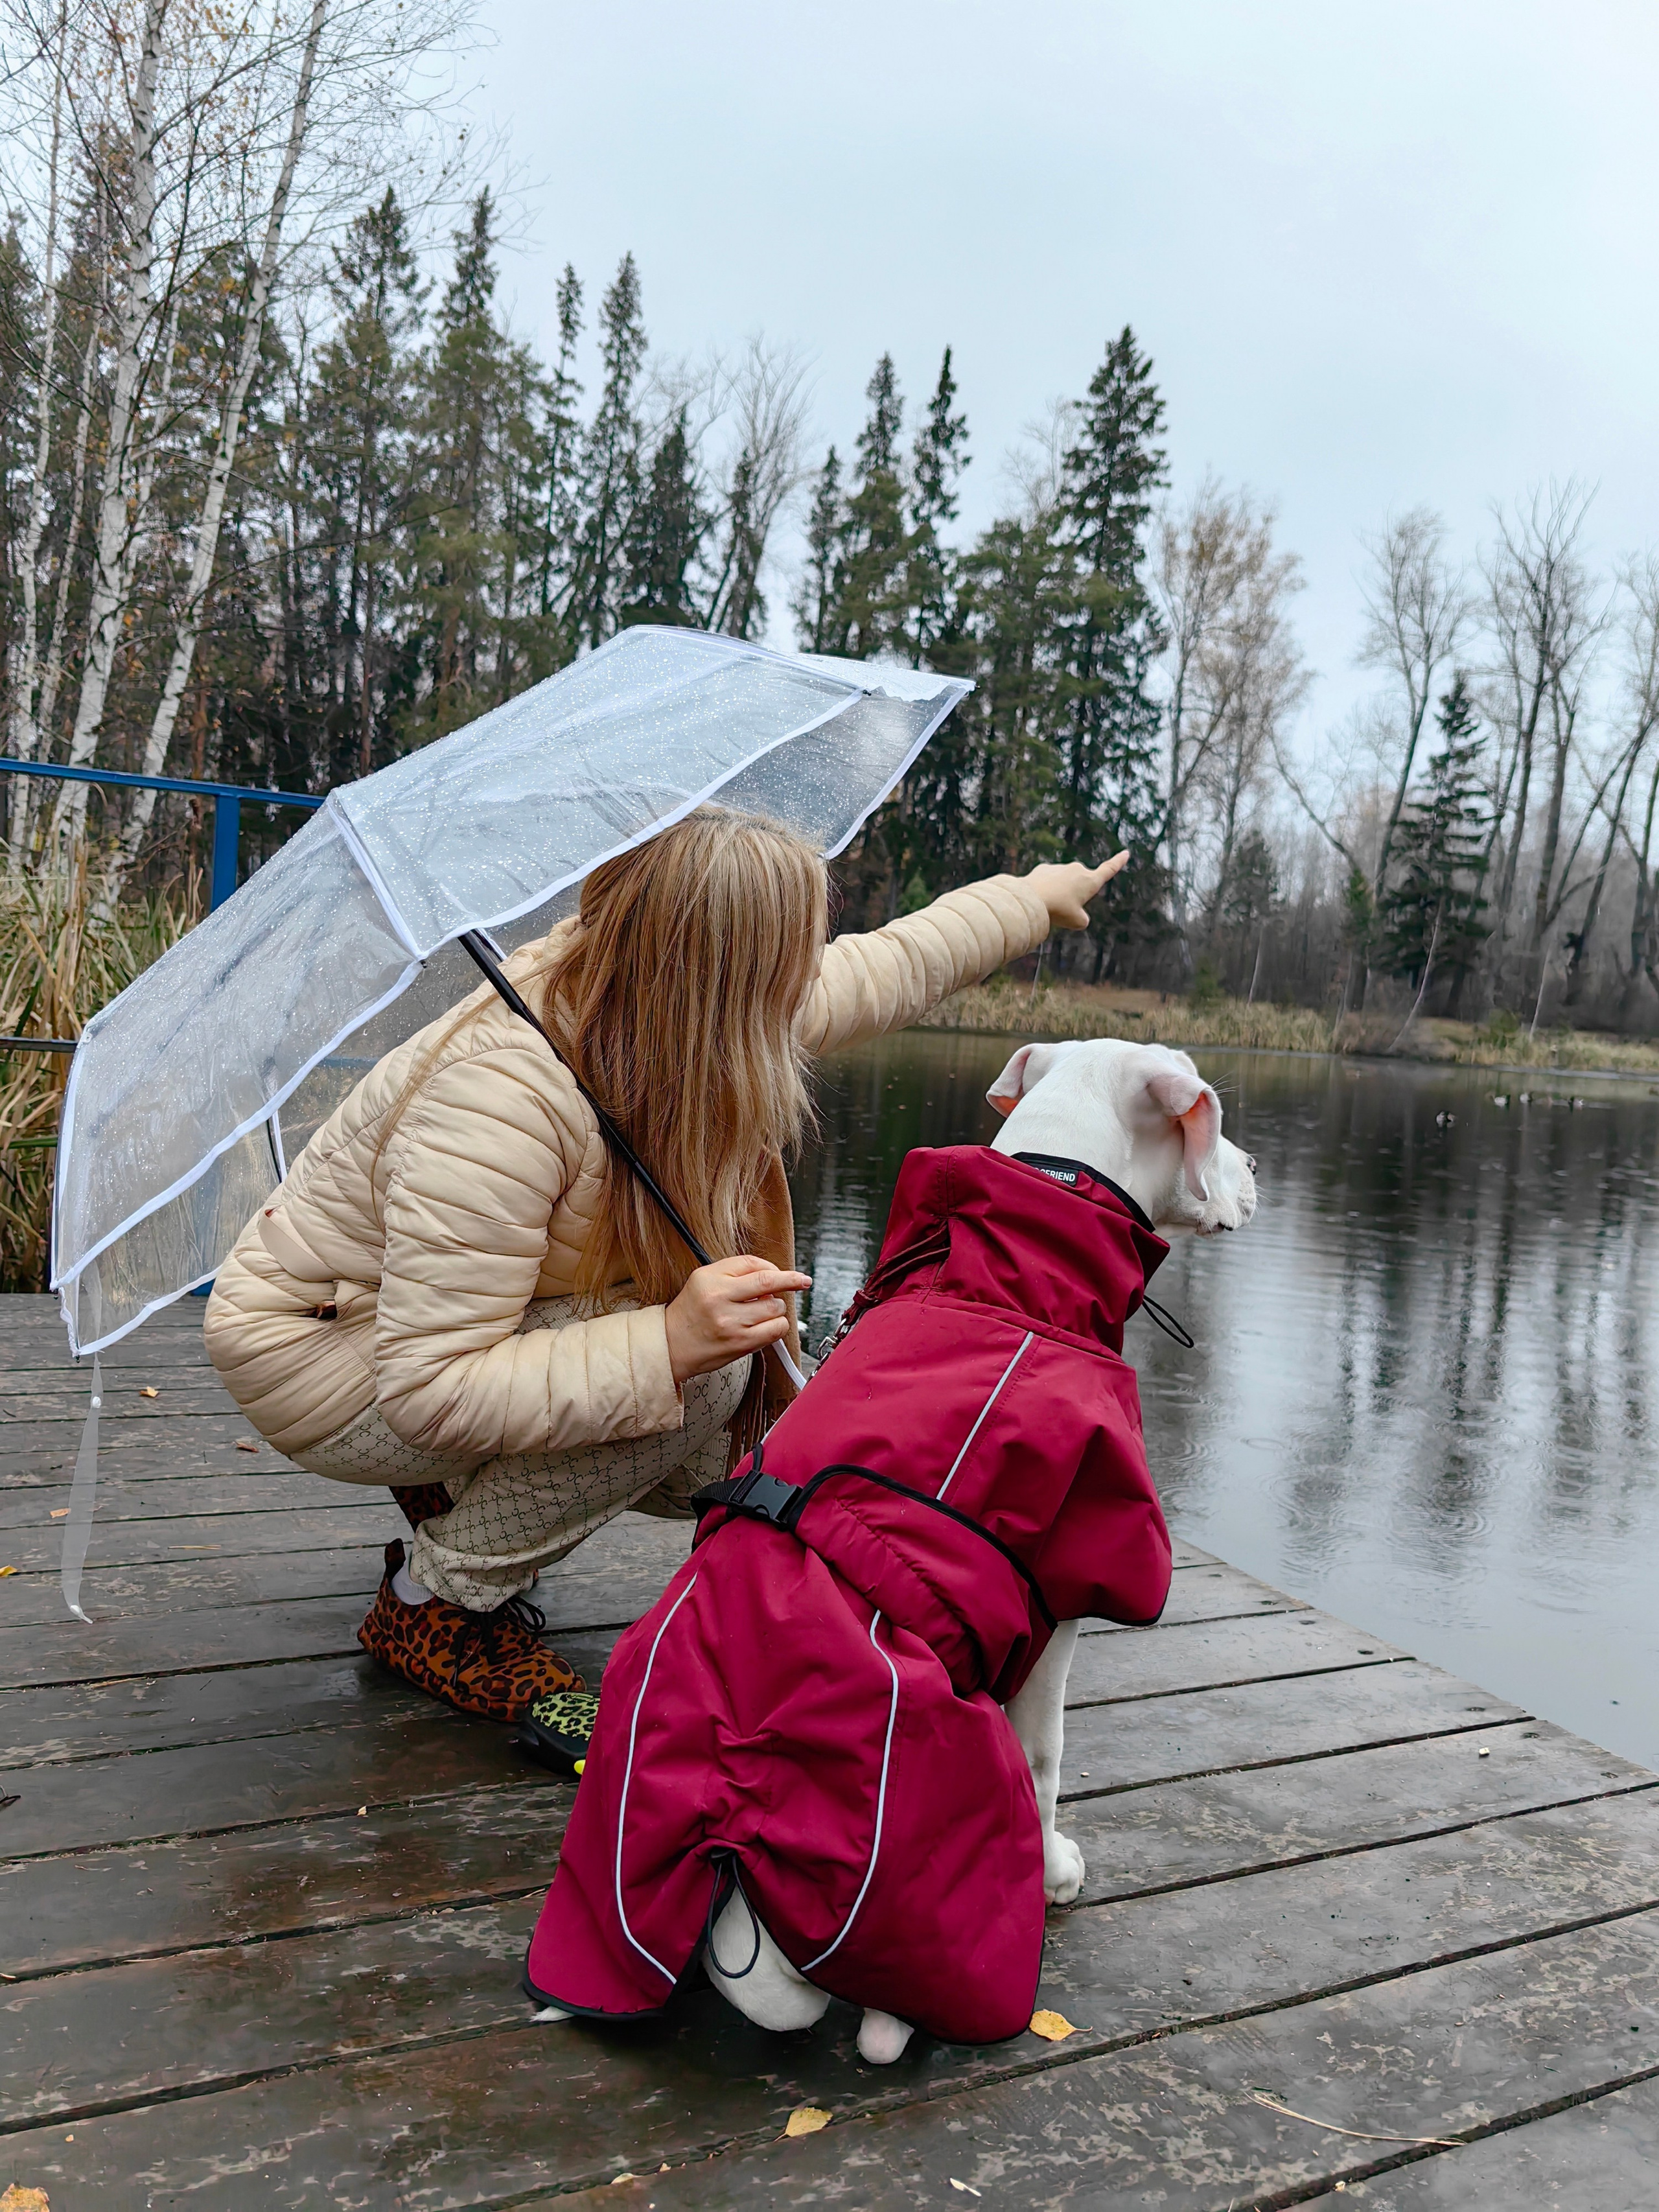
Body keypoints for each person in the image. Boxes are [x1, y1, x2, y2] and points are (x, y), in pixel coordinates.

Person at [204, 808, 1126, 1723]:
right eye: (796, 950)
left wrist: (1038, 899)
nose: (812, 969)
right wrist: (669, 1340)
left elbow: (891, 964)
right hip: (326, 1349)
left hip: (448, 1320)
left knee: (723, 1458)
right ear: (730, 969)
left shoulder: (679, 1007)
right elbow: (428, 1382)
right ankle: (432, 1604)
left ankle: (460, 1492)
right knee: (707, 1375)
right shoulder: (503, 1098)